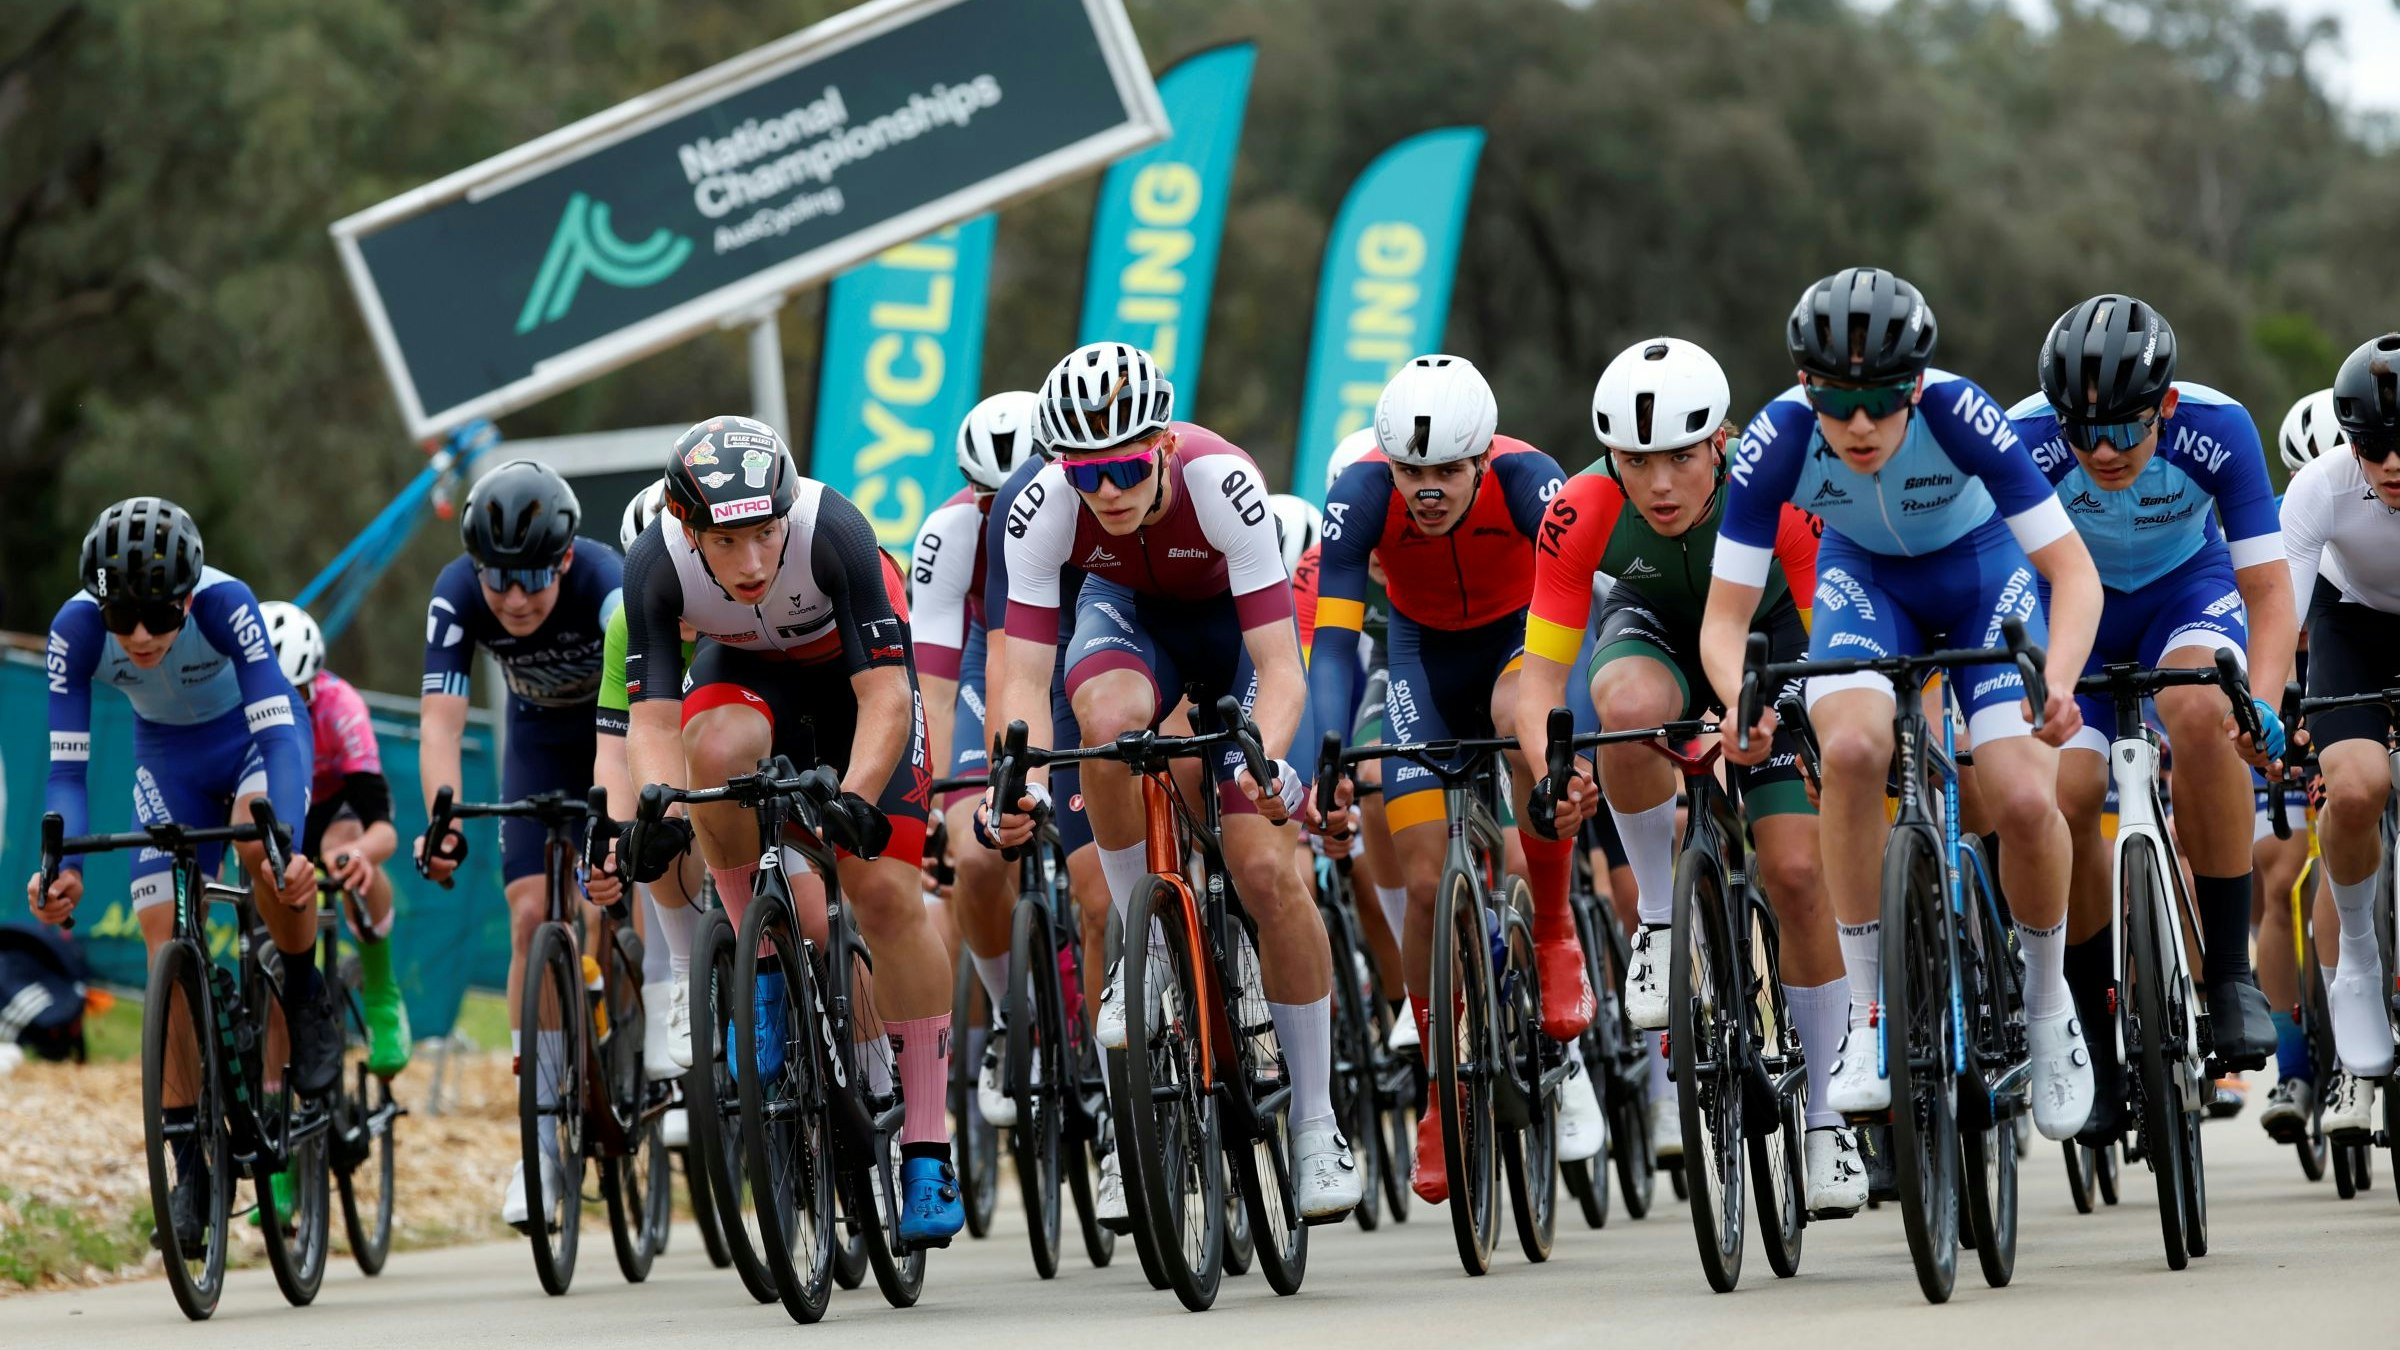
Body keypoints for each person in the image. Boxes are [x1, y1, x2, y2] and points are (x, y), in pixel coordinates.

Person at [1700, 266, 2106, 1143]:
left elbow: (2071, 573)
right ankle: (1866, 1012)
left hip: (1980, 577)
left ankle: (2047, 1005)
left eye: (1882, 399)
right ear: (1805, 386)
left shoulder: (1961, 414)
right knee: (1849, 751)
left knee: (2028, 796)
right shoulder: (1772, 441)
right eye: (1836, 400)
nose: (1858, 424)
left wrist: (2062, 681)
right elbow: (1724, 622)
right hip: (1865, 580)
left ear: (1914, 385)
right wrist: (1742, 705)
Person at [983, 341, 1363, 1221]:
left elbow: (1283, 666)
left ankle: (1314, 1126)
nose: (1107, 493)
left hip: (1235, 645)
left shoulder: (1222, 479)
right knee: (1103, 724)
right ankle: (1144, 945)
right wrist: (1022, 780)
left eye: (1122, 468)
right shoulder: (1040, 507)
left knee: (1266, 871)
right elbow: (1022, 683)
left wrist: (1260, 763)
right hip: (1130, 625)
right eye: (1087, 476)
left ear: (1159, 446)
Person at [1520, 336, 1862, 1213]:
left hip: (1776, 648)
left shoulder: (1777, 488)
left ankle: (1827, 1122)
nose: (1661, 484)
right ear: (1611, 460)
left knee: (1792, 871)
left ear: (1720, 441)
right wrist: (1548, 775)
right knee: (1623, 705)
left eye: (1680, 455)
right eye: (1637, 461)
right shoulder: (1581, 508)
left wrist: (1773, 717)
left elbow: (1832, 639)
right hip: (1660, 638)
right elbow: (1541, 680)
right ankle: (1664, 925)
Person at [613, 415, 965, 1246]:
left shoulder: (833, 529)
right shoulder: (653, 562)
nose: (753, 563)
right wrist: (658, 805)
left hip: (857, 692)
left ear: (785, 514)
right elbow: (655, 719)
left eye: (765, 536)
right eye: (726, 544)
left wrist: (856, 795)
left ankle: (926, 1147)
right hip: (749, 678)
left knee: (881, 891)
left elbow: (887, 699)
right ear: (684, 522)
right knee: (715, 753)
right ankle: (762, 977)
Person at [1308, 353, 1594, 1204]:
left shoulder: (1530, 481)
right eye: (1410, 473)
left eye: (1445, 473)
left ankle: (1551, 932)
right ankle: (1439, 1094)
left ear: (1481, 458)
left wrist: (1563, 760)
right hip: (1422, 662)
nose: (1426, 491)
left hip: (1521, 645)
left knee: (1526, 730)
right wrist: (1325, 759)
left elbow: (1564, 627)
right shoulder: (1358, 495)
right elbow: (1331, 648)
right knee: (1426, 883)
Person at [2005, 294, 2291, 1143]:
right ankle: (2093, 1038)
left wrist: (2263, 708)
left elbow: (2269, 593)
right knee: (2070, 791)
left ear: (2165, 406)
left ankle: (2231, 975)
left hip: (2185, 597)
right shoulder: (2022, 439)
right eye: (2083, 432)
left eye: (2126, 431)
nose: (2102, 452)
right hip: (2074, 618)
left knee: (2202, 711)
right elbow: (1998, 579)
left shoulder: (2221, 427)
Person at [29, 497, 327, 1248]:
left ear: (188, 597)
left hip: (255, 744)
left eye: (159, 616)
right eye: (122, 616)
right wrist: (57, 870)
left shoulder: (228, 604)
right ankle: (191, 1165)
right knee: (165, 936)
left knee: (263, 852)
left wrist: (287, 844)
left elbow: (279, 725)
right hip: (167, 758)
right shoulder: (74, 631)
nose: (138, 635)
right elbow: (66, 770)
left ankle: (302, 984)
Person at [414, 459, 624, 1227]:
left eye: (532, 579)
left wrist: (616, 828)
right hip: (535, 743)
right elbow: (441, 724)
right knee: (531, 912)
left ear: (565, 559)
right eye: (496, 581)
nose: (512, 599)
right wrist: (442, 821)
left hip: (614, 732)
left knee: (603, 886)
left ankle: (622, 1003)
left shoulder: (607, 580)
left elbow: (638, 713)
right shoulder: (457, 593)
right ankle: (536, 1142)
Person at [909, 389, 1041, 1128]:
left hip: (1071, 659)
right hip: (977, 672)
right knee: (978, 854)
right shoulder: (952, 529)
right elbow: (930, 677)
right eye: (991, 496)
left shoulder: (1086, 508)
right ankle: (1007, 1015)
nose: (1009, 507)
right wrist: (926, 794)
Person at [2281, 332, 2400, 1136]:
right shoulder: (2320, 489)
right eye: (2373, 446)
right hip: (2351, 624)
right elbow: (2278, 619)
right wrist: (2263, 708)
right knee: (2356, 790)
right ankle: (2355, 949)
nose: (2391, 464)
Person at [260, 600, 411, 1078]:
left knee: (342, 850)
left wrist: (358, 854)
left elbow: (383, 831)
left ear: (314, 682)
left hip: (333, 809)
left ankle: (382, 990)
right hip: (278, 810)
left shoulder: (341, 707)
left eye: (298, 695)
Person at [589, 480, 697, 1091]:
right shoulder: (630, 623)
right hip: (665, 745)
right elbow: (614, 749)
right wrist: (614, 835)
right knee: (651, 828)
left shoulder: (733, 604)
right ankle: (678, 983)